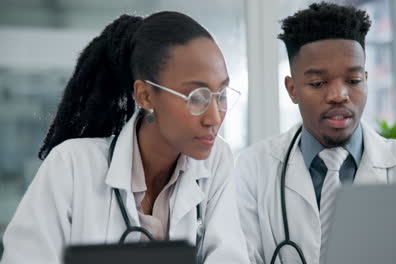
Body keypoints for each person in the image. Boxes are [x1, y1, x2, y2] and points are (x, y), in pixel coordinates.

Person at [1, 11, 249, 264]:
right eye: (197, 97)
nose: (215, 118)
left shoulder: (216, 159)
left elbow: (229, 256)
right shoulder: (71, 166)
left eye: (221, 95)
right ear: (145, 96)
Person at [234, 3, 396, 264]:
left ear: (366, 79)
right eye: (318, 83)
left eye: (353, 81)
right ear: (292, 89)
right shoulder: (253, 169)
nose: (339, 96)